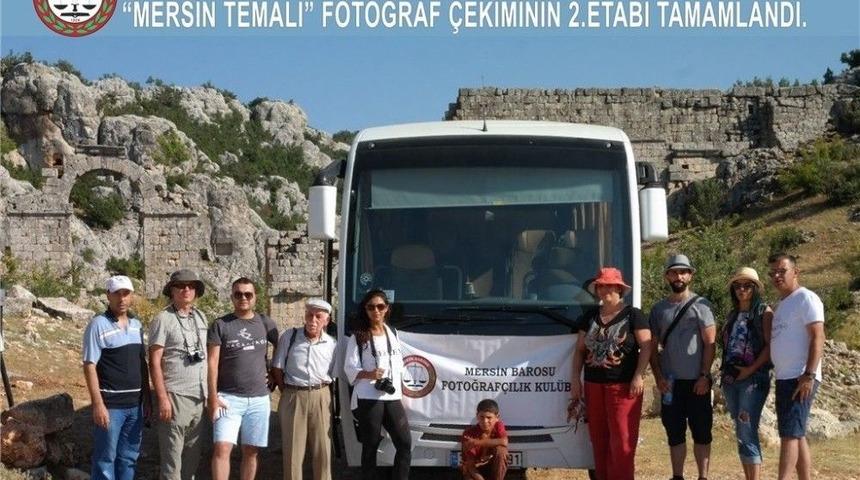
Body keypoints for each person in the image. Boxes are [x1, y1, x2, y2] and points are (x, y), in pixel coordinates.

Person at [570, 267, 652, 480]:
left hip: (623, 386)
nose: (605, 289)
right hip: (593, 385)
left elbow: (647, 346)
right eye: (601, 285)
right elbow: (579, 351)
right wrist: (575, 380)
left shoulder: (634, 315)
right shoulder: (589, 316)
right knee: (598, 440)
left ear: (619, 288)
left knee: (622, 440)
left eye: (609, 285)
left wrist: (638, 375)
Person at [649, 254, 716, 480]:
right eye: (674, 272)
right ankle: (677, 476)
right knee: (674, 433)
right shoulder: (658, 309)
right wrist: (658, 377)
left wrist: (705, 376)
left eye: (683, 272)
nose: (679, 276)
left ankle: (703, 477)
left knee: (702, 432)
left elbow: (710, 343)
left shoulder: (702, 305)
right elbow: (651, 347)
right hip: (671, 382)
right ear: (667, 276)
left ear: (690, 275)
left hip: (697, 382)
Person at [207, 278, 279, 480]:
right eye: (238, 294)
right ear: (232, 297)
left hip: (258, 399)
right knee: (222, 448)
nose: (243, 298)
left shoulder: (265, 322)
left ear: (255, 297)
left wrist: (274, 371)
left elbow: (281, 346)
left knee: (251, 451)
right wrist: (212, 397)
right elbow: (212, 363)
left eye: (248, 294)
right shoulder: (220, 325)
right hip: (228, 398)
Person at [83, 275, 151, 480]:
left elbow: (142, 364)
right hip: (111, 406)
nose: (121, 299)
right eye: (117, 294)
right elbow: (89, 366)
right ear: (108, 296)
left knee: (128, 457)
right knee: (105, 459)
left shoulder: (137, 325)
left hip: (135, 406)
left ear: (131, 296)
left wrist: (147, 398)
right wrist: (97, 404)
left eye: (126, 294)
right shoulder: (97, 325)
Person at [767, 253, 825, 480]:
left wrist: (809, 374)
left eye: (782, 271)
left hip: (800, 376)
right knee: (796, 433)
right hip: (785, 377)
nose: (777, 276)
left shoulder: (806, 298)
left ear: (796, 272)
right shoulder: (783, 304)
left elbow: (818, 337)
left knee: (789, 435)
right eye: (773, 273)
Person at [343, 289, 412, 480]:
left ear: (387, 309)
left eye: (380, 306)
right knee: (371, 445)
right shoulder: (359, 336)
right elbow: (349, 367)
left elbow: (398, 364)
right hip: (368, 396)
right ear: (365, 310)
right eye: (371, 307)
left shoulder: (393, 333)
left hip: (392, 396)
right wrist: (369, 374)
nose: (376, 310)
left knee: (405, 443)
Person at [148, 269, 209, 480]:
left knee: (192, 458)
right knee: (172, 460)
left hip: (199, 397)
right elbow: (154, 362)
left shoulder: (201, 317)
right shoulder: (162, 319)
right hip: (175, 396)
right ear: (171, 291)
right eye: (181, 286)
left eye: (191, 286)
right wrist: (162, 398)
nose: (186, 290)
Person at [270, 298, 337, 480]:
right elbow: (277, 367)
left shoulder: (332, 344)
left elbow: (333, 374)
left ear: (326, 320)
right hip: (293, 395)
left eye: (318, 316)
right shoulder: (289, 337)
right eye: (309, 315)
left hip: (321, 395)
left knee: (322, 451)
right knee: (293, 451)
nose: (312, 320)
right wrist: (288, 391)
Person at [719, 267, 773, 480]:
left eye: (747, 285)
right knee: (741, 431)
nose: (742, 290)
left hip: (753, 378)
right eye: (738, 286)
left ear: (755, 288)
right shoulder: (732, 315)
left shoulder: (764, 312)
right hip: (732, 379)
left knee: (746, 428)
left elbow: (769, 346)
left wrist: (750, 369)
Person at [459, 399, 509, 480]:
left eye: (489, 417)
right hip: (474, 470)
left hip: (492, 467)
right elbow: (471, 466)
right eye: (481, 417)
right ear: (477, 416)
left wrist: (477, 442)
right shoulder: (469, 434)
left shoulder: (498, 426)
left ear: (497, 417)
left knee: (501, 451)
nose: (485, 421)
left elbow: (504, 441)